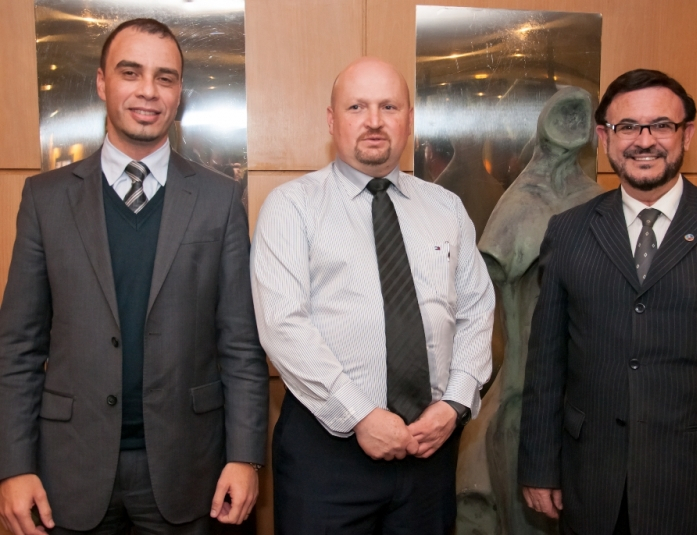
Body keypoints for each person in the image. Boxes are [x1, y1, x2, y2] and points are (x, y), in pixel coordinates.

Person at [0, 18, 268, 535]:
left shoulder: (219, 199)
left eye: (165, 78)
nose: (149, 91)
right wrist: (13, 464)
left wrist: (245, 457)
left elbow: (240, 343)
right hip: (68, 470)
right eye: (131, 73)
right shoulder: (45, 199)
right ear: (102, 83)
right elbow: (18, 348)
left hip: (189, 468)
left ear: (179, 93)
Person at [518, 68, 697, 535]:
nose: (644, 141)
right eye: (628, 126)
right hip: (592, 488)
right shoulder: (567, 233)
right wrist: (538, 467)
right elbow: (546, 363)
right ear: (605, 138)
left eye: (661, 125)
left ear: (687, 134)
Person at [251, 57, 495, 534]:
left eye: (389, 106)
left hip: (429, 452)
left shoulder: (446, 208)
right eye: (357, 107)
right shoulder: (292, 207)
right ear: (331, 120)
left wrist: (454, 404)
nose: (374, 121)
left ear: (409, 119)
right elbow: (283, 324)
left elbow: (477, 309)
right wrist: (360, 415)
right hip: (327, 457)